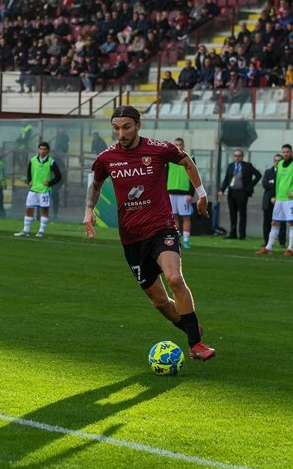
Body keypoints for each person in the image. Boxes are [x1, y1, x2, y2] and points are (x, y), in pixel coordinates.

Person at [83, 105, 215, 362]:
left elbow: (186, 160)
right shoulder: (106, 158)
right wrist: (89, 210)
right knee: (159, 301)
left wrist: (202, 195)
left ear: (138, 126)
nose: (121, 133)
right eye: (116, 128)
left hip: (161, 227)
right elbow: (96, 184)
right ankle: (190, 327)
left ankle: (196, 344)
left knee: (175, 279)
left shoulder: (158, 149)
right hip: (132, 237)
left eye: (126, 127)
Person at [256, 143, 293, 257]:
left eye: (287, 152)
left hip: (290, 200)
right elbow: (277, 181)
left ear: (292, 153)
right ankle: (268, 247)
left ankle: (290, 249)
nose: (285, 154)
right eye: (284, 152)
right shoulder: (280, 164)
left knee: (291, 223)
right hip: (280, 199)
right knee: (275, 222)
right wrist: (275, 195)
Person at [13, 141, 62, 239]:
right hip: (33, 189)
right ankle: (26, 230)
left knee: (44, 210)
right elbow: (28, 172)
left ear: (48, 151)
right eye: (41, 149)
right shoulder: (33, 160)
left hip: (44, 190)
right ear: (38, 150)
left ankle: (41, 231)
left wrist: (50, 183)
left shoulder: (51, 162)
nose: (42, 151)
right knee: (29, 209)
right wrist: (29, 181)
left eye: (44, 149)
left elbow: (59, 176)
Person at [217, 148, 261, 239]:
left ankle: (242, 234)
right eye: (235, 156)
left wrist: (250, 186)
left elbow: (258, 175)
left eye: (239, 156)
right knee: (232, 214)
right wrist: (221, 190)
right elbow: (226, 180)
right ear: (233, 157)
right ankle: (233, 233)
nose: (237, 157)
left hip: (242, 193)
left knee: (242, 213)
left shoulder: (247, 166)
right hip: (232, 192)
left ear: (242, 156)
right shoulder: (230, 166)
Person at [167, 137, 195, 249]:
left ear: (183, 145)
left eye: (180, 144)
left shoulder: (190, 157)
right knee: (174, 217)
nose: (178, 146)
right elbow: (164, 175)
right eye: (176, 144)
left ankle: (187, 240)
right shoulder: (168, 159)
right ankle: (176, 239)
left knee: (186, 217)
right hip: (171, 192)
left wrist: (191, 193)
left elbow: (194, 176)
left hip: (184, 193)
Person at [260, 154, 287, 248]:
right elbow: (265, 184)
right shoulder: (268, 172)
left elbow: (283, 186)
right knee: (267, 222)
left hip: (280, 200)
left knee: (281, 222)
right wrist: (272, 195)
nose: (277, 162)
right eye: (275, 160)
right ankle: (266, 241)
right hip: (268, 201)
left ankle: (282, 242)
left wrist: (276, 196)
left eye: (279, 160)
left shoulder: (285, 172)